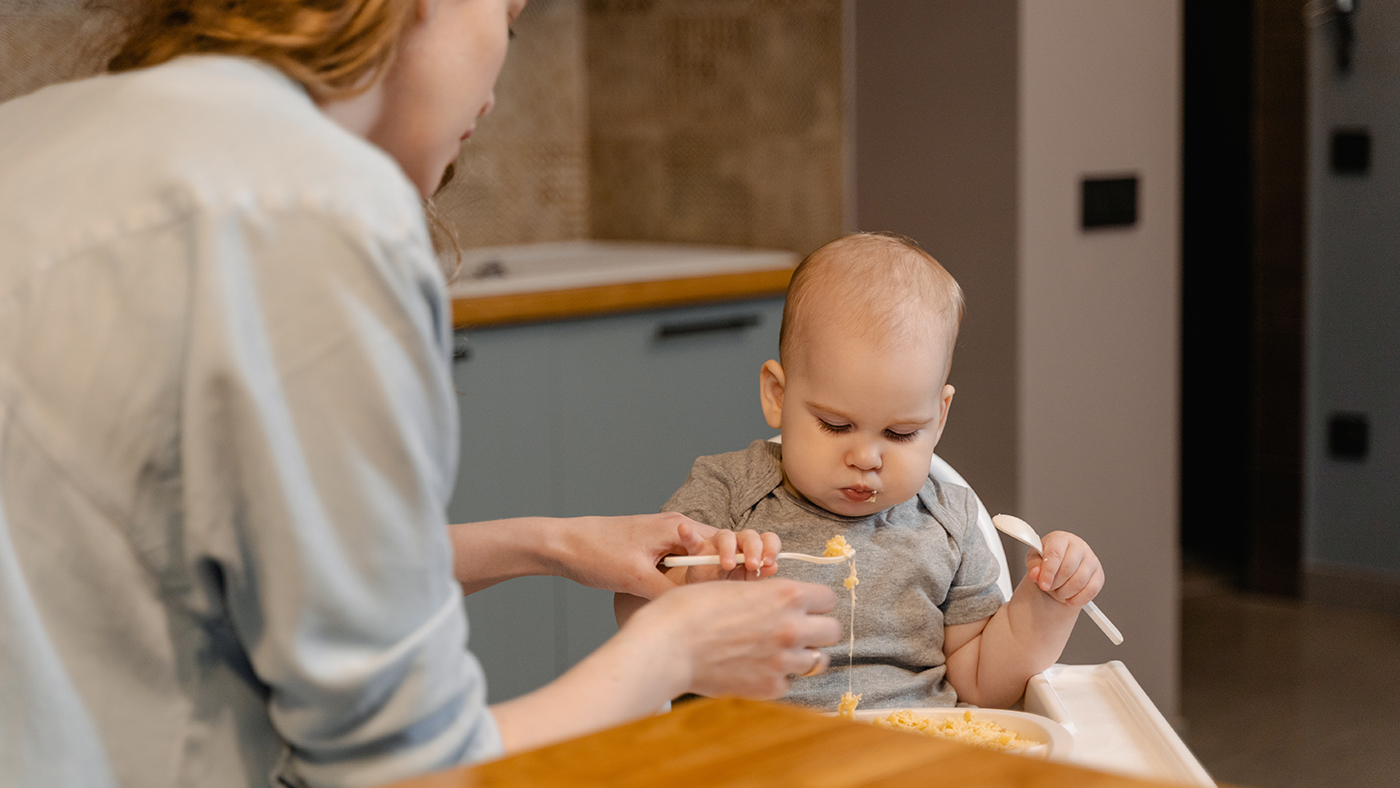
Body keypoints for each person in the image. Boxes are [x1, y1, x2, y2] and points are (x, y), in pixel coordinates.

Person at [0, 1, 842, 786]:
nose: (497, 80)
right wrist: (672, 653)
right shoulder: (321, 210)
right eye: (506, 20)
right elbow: (407, 769)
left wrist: (552, 543)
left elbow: (196, 555)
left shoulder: (34, 133)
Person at [619, 232, 1105, 712]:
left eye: (900, 434)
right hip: (754, 752)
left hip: (907, 754)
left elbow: (981, 685)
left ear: (940, 416)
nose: (867, 458)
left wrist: (1048, 603)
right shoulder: (726, 493)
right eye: (836, 425)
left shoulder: (949, 523)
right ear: (777, 396)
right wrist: (694, 583)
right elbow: (633, 613)